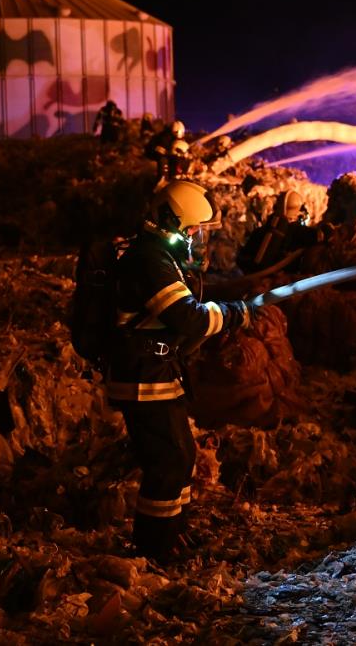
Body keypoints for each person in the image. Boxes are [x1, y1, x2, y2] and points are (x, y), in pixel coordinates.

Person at [109, 179, 254, 562]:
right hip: (143, 378)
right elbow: (187, 317)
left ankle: (173, 533)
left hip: (156, 373)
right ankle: (153, 550)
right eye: (193, 229)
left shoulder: (158, 256)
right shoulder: (150, 261)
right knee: (169, 462)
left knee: (181, 456)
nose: (195, 237)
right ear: (174, 222)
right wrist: (232, 315)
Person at [237, 190, 319, 273]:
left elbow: (243, 259)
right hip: (284, 280)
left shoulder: (261, 232)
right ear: (298, 210)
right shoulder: (304, 233)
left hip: (258, 279)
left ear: (276, 206)